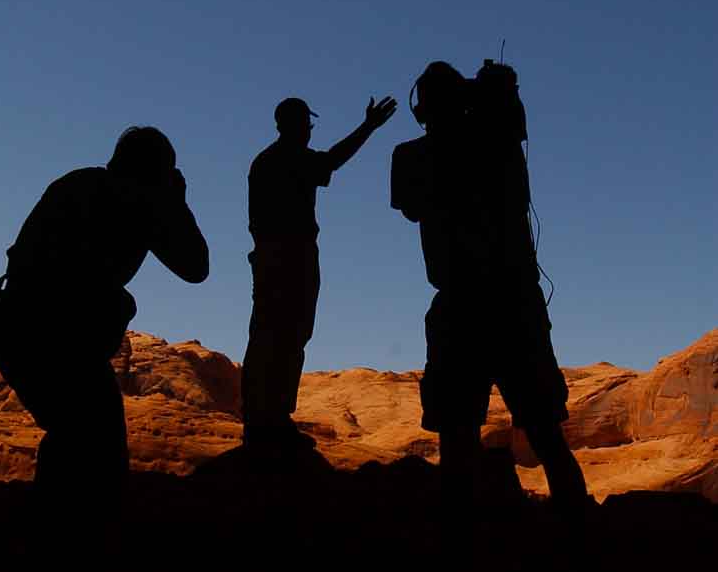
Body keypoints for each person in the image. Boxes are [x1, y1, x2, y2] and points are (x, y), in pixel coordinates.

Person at [390, 60, 588, 513]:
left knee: (457, 438)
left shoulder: (413, 156)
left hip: (460, 306)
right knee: (544, 434)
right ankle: (580, 542)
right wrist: (491, 95)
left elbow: (410, 204)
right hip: (514, 302)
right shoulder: (496, 142)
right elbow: (512, 134)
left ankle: (461, 553)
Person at [0, 126, 209, 497]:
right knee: (92, 439)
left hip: (17, 325)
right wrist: (176, 202)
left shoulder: (77, 183)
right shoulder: (138, 200)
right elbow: (196, 267)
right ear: (157, 171)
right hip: (58, 336)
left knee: (76, 434)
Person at [241, 93, 397, 454]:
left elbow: (325, 163)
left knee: (274, 333)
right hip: (288, 257)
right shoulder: (286, 159)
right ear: (294, 126)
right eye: (306, 125)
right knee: (285, 334)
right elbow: (332, 161)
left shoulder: (267, 160)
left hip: (274, 257)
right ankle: (270, 420)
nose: (309, 131)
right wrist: (368, 127)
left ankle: (264, 418)